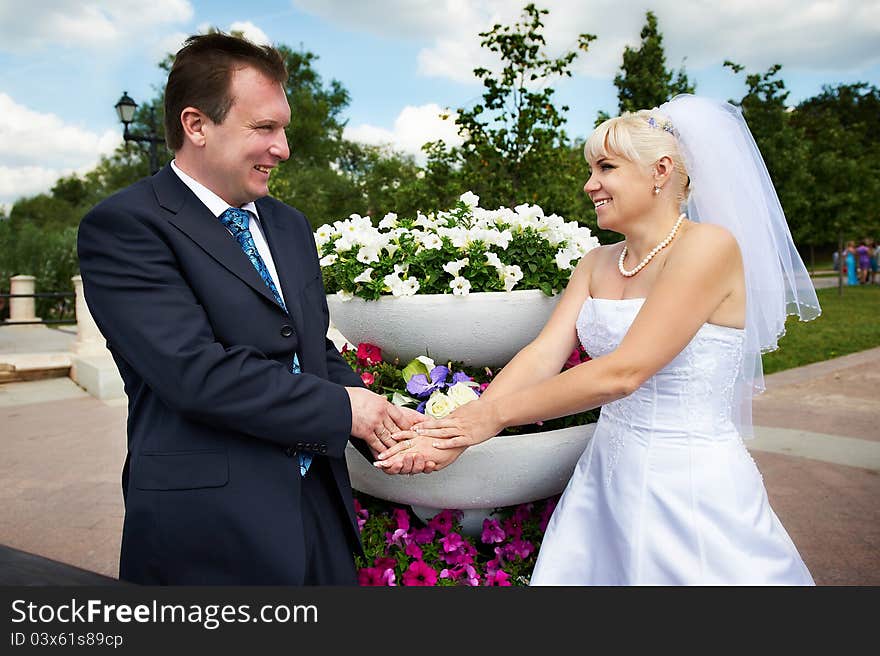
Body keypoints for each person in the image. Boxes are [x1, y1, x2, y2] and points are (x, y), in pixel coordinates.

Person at [380, 95, 820, 585]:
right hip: (606, 478)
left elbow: (624, 371)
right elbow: (544, 354)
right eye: (590, 169)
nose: (590, 185)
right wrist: (455, 430)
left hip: (690, 485)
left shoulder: (709, 247)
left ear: (661, 171)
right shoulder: (596, 262)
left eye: (605, 167)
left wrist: (493, 417)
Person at [77, 33, 422, 585]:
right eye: (264, 128)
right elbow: (194, 373)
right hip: (207, 531)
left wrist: (381, 416)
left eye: (282, 128)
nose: (283, 147)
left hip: (318, 514)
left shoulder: (289, 225)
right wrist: (343, 411)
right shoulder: (125, 227)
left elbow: (310, 349)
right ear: (196, 126)